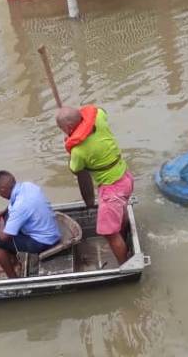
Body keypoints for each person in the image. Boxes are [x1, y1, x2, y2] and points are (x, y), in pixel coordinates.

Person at [56, 105, 134, 264]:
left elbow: (75, 169)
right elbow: (100, 110)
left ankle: (125, 265)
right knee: (121, 213)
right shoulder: (98, 117)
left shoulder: (79, 151)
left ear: (69, 127)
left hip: (111, 189)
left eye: (62, 129)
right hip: (125, 177)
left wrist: (70, 148)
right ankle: (124, 241)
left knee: (108, 233)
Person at [0, 171, 61, 278]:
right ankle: (13, 262)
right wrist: (0, 214)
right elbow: (12, 206)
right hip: (49, 230)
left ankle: (13, 278)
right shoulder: (28, 186)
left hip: (44, 241)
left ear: (2, 190)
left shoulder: (20, 206)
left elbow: (5, 237)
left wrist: (1, 220)